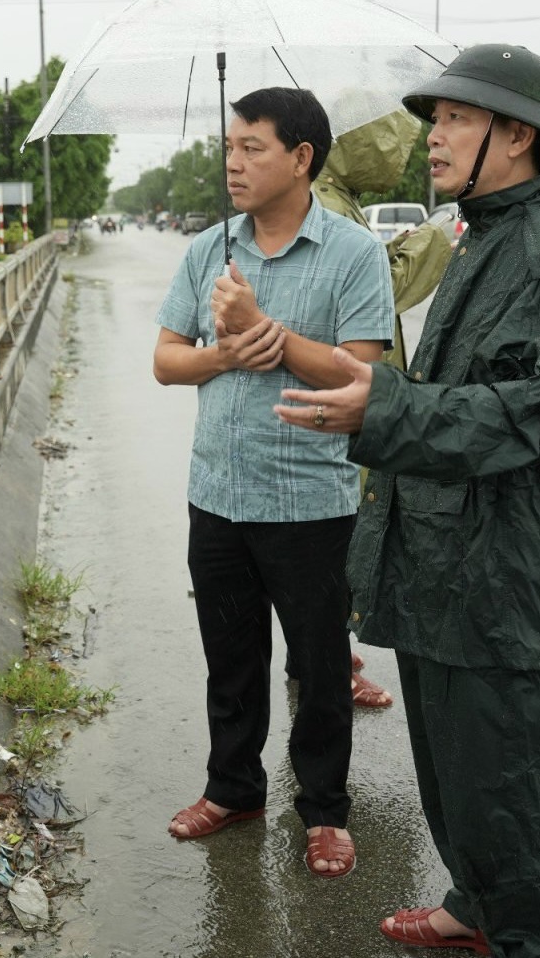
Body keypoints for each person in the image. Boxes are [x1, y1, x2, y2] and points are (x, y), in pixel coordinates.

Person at [274, 45, 540, 956]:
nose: (433, 137)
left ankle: (531, 934)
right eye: (433, 119)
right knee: (454, 763)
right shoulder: (485, 233)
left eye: (454, 119)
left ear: (516, 134)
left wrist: (387, 405)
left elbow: (534, 416)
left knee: (514, 773)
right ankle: (474, 901)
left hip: (502, 564)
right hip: (443, 554)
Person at [151, 87, 392, 878]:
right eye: (230, 145)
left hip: (311, 498)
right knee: (231, 657)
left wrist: (266, 331)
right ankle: (233, 788)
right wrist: (223, 352)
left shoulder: (354, 251)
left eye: (253, 147)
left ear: (302, 157)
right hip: (217, 491)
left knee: (321, 666)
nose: (233, 161)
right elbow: (165, 360)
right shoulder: (208, 250)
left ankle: (325, 810)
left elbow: (367, 371)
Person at [311, 109, 456, 710]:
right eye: (389, 145)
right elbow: (377, 286)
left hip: (341, 390)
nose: (400, 161)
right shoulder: (325, 202)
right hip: (338, 393)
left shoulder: (329, 196)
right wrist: (436, 239)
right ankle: (327, 663)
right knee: (339, 535)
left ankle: (326, 652)